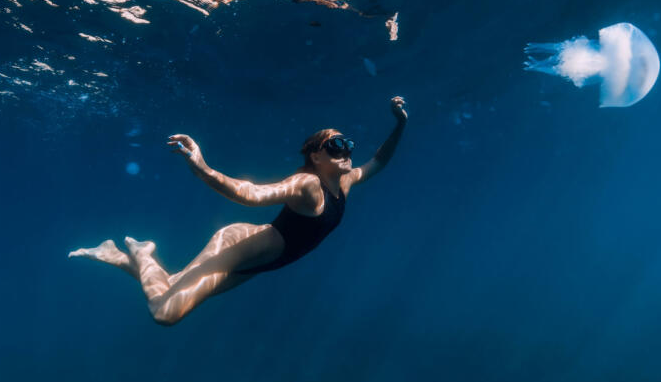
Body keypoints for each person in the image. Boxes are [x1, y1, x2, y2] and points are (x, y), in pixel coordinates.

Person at [69, 96, 408, 326]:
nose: (345, 150)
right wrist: (201, 167)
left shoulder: (345, 182)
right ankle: (142, 253)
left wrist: (400, 123)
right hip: (237, 248)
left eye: (347, 143)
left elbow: (379, 160)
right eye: (335, 145)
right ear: (315, 156)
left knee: (172, 287)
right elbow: (251, 194)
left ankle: (119, 256)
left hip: (259, 263)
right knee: (165, 313)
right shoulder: (307, 184)